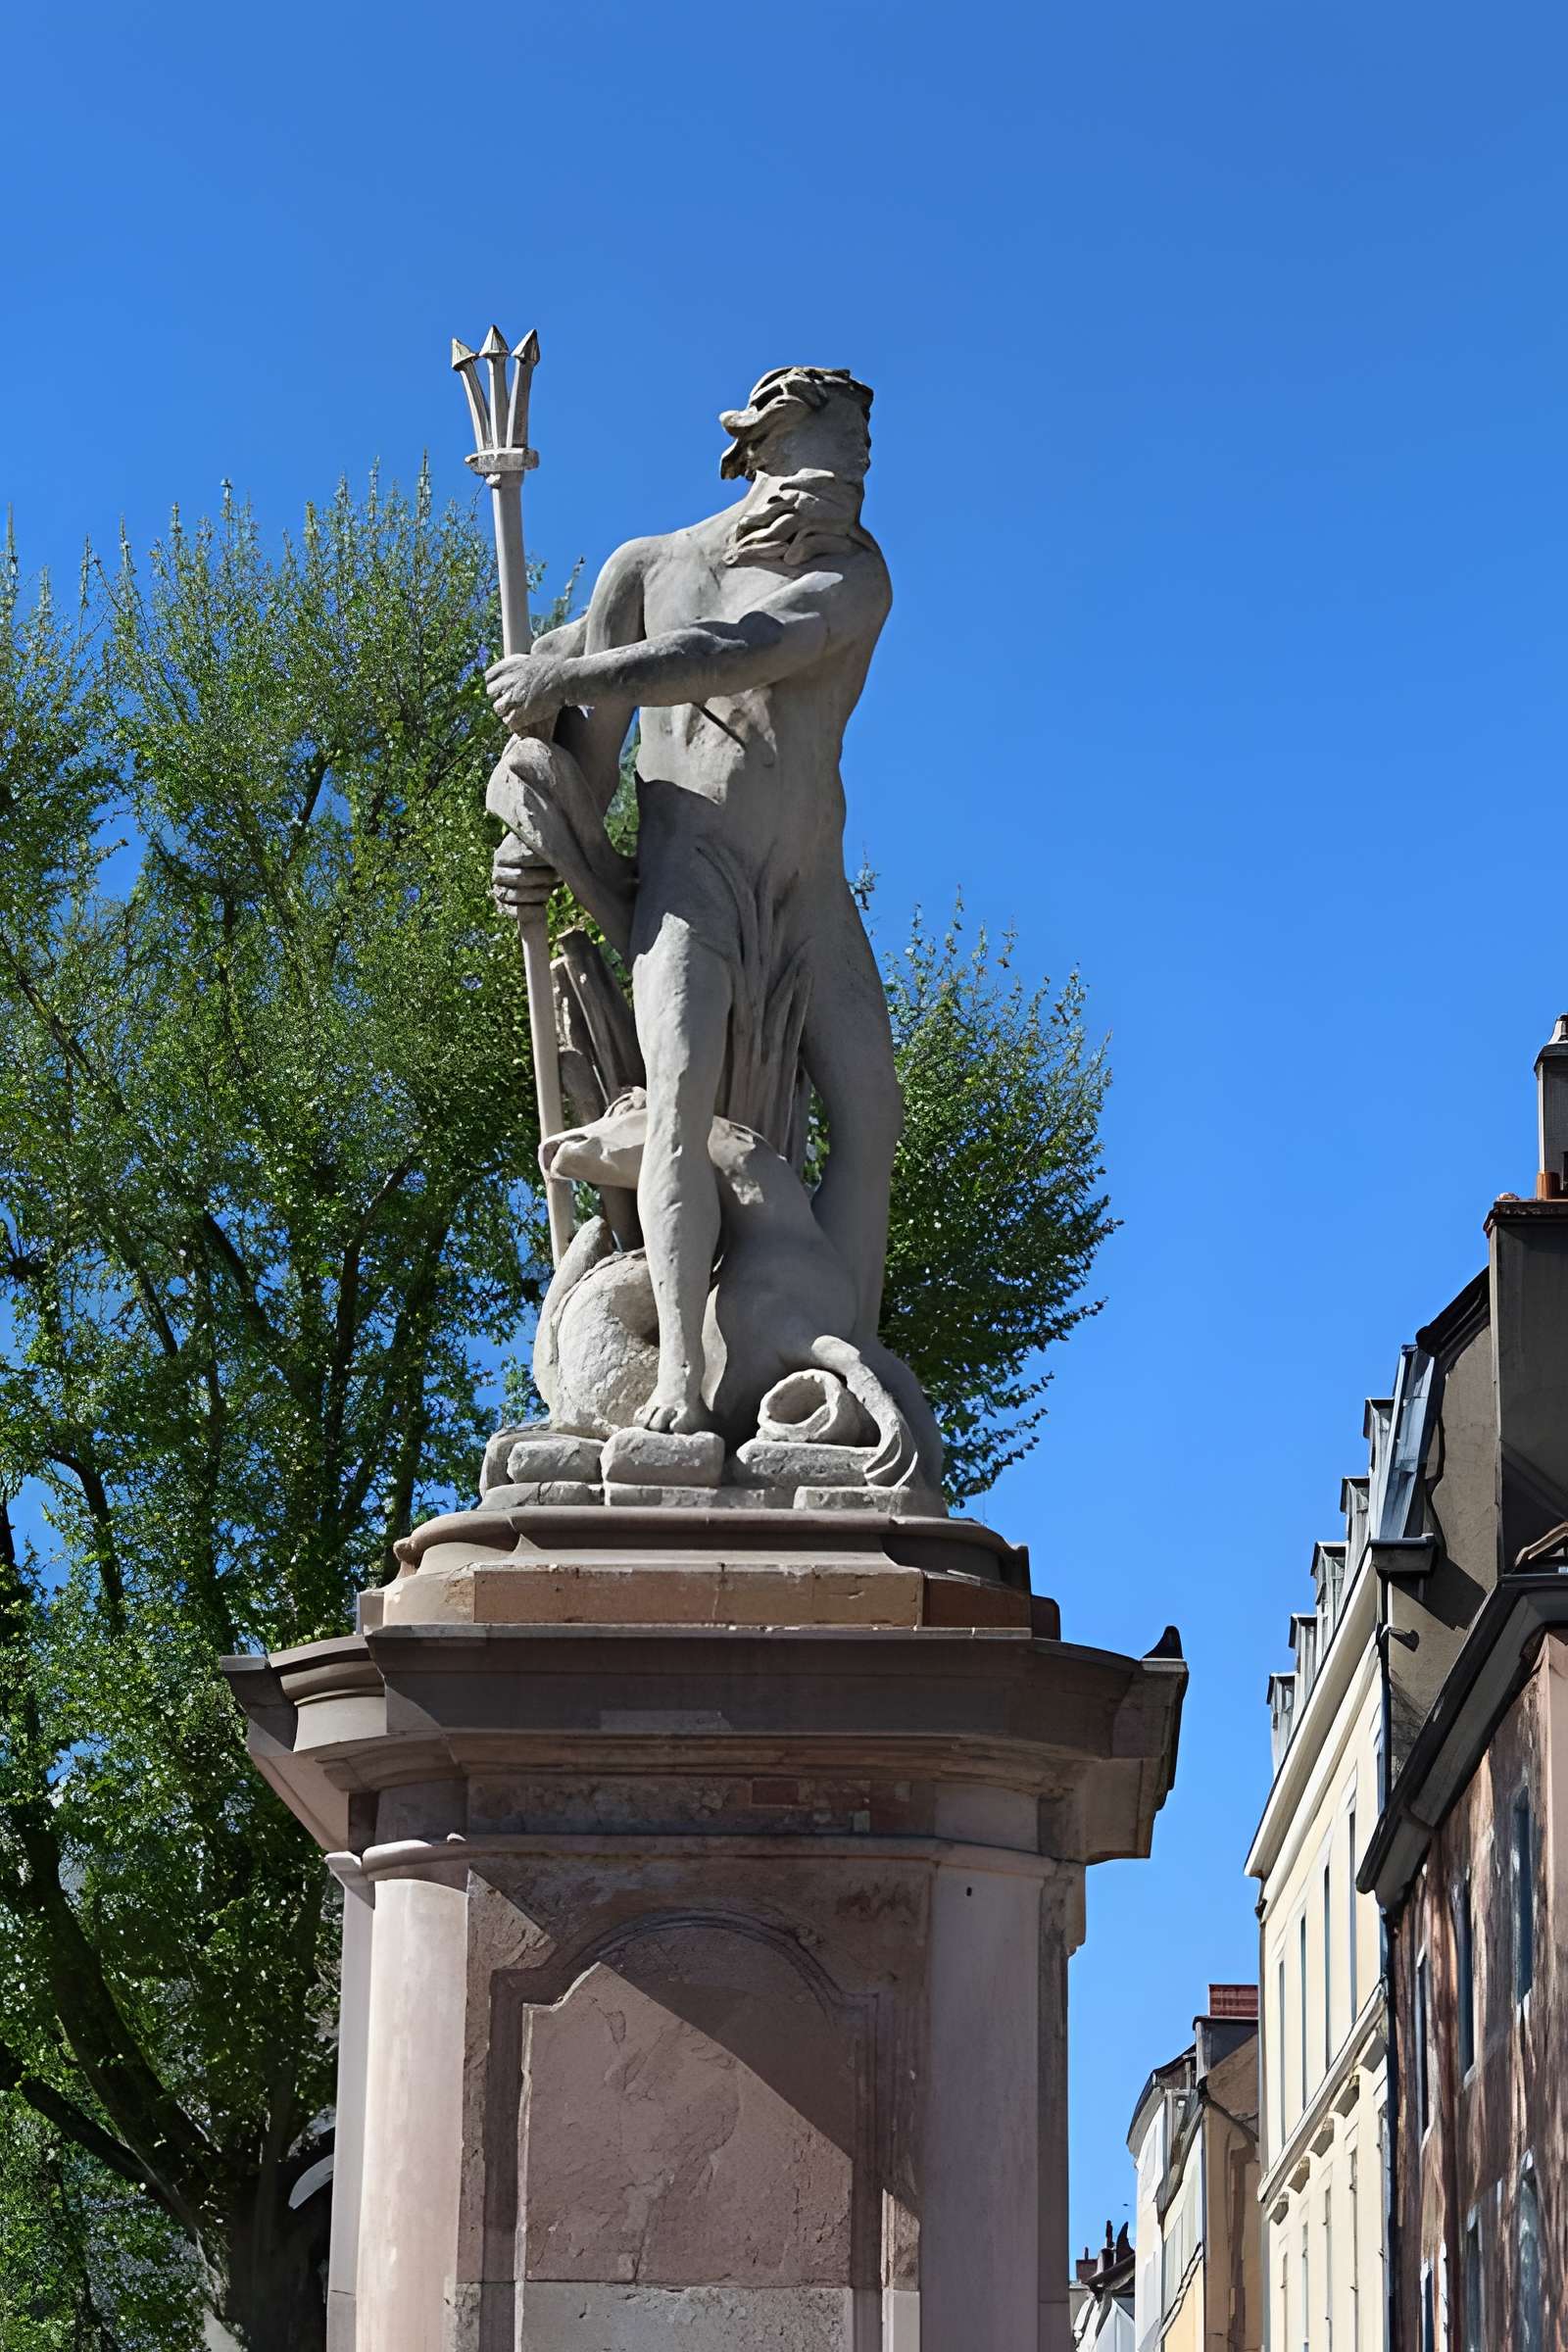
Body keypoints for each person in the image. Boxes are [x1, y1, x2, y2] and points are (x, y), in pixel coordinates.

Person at [487, 367, 904, 1439]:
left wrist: (575, 672)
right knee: (674, 1103)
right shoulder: (646, 569)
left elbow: (754, 648)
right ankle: (675, 1381)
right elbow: (578, 770)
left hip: (806, 881)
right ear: (761, 452)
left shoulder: (853, 574)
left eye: (860, 461)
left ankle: (836, 1367)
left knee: (872, 1113)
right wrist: (535, 845)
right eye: (832, 455)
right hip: (694, 875)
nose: (850, 479)